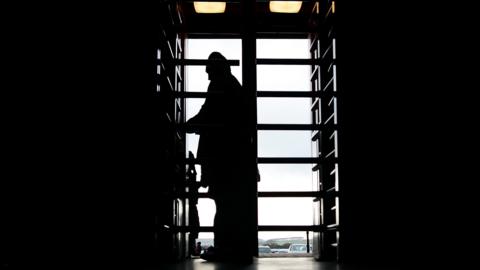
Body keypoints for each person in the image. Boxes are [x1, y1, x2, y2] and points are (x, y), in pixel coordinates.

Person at [186, 52, 257, 263]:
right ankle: (233, 247)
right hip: (235, 158)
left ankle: (225, 247)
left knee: (224, 205)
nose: (207, 76)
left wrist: (188, 125)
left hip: (223, 159)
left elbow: (208, 114)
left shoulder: (219, 85)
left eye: (209, 71)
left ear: (216, 70)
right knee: (229, 204)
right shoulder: (234, 86)